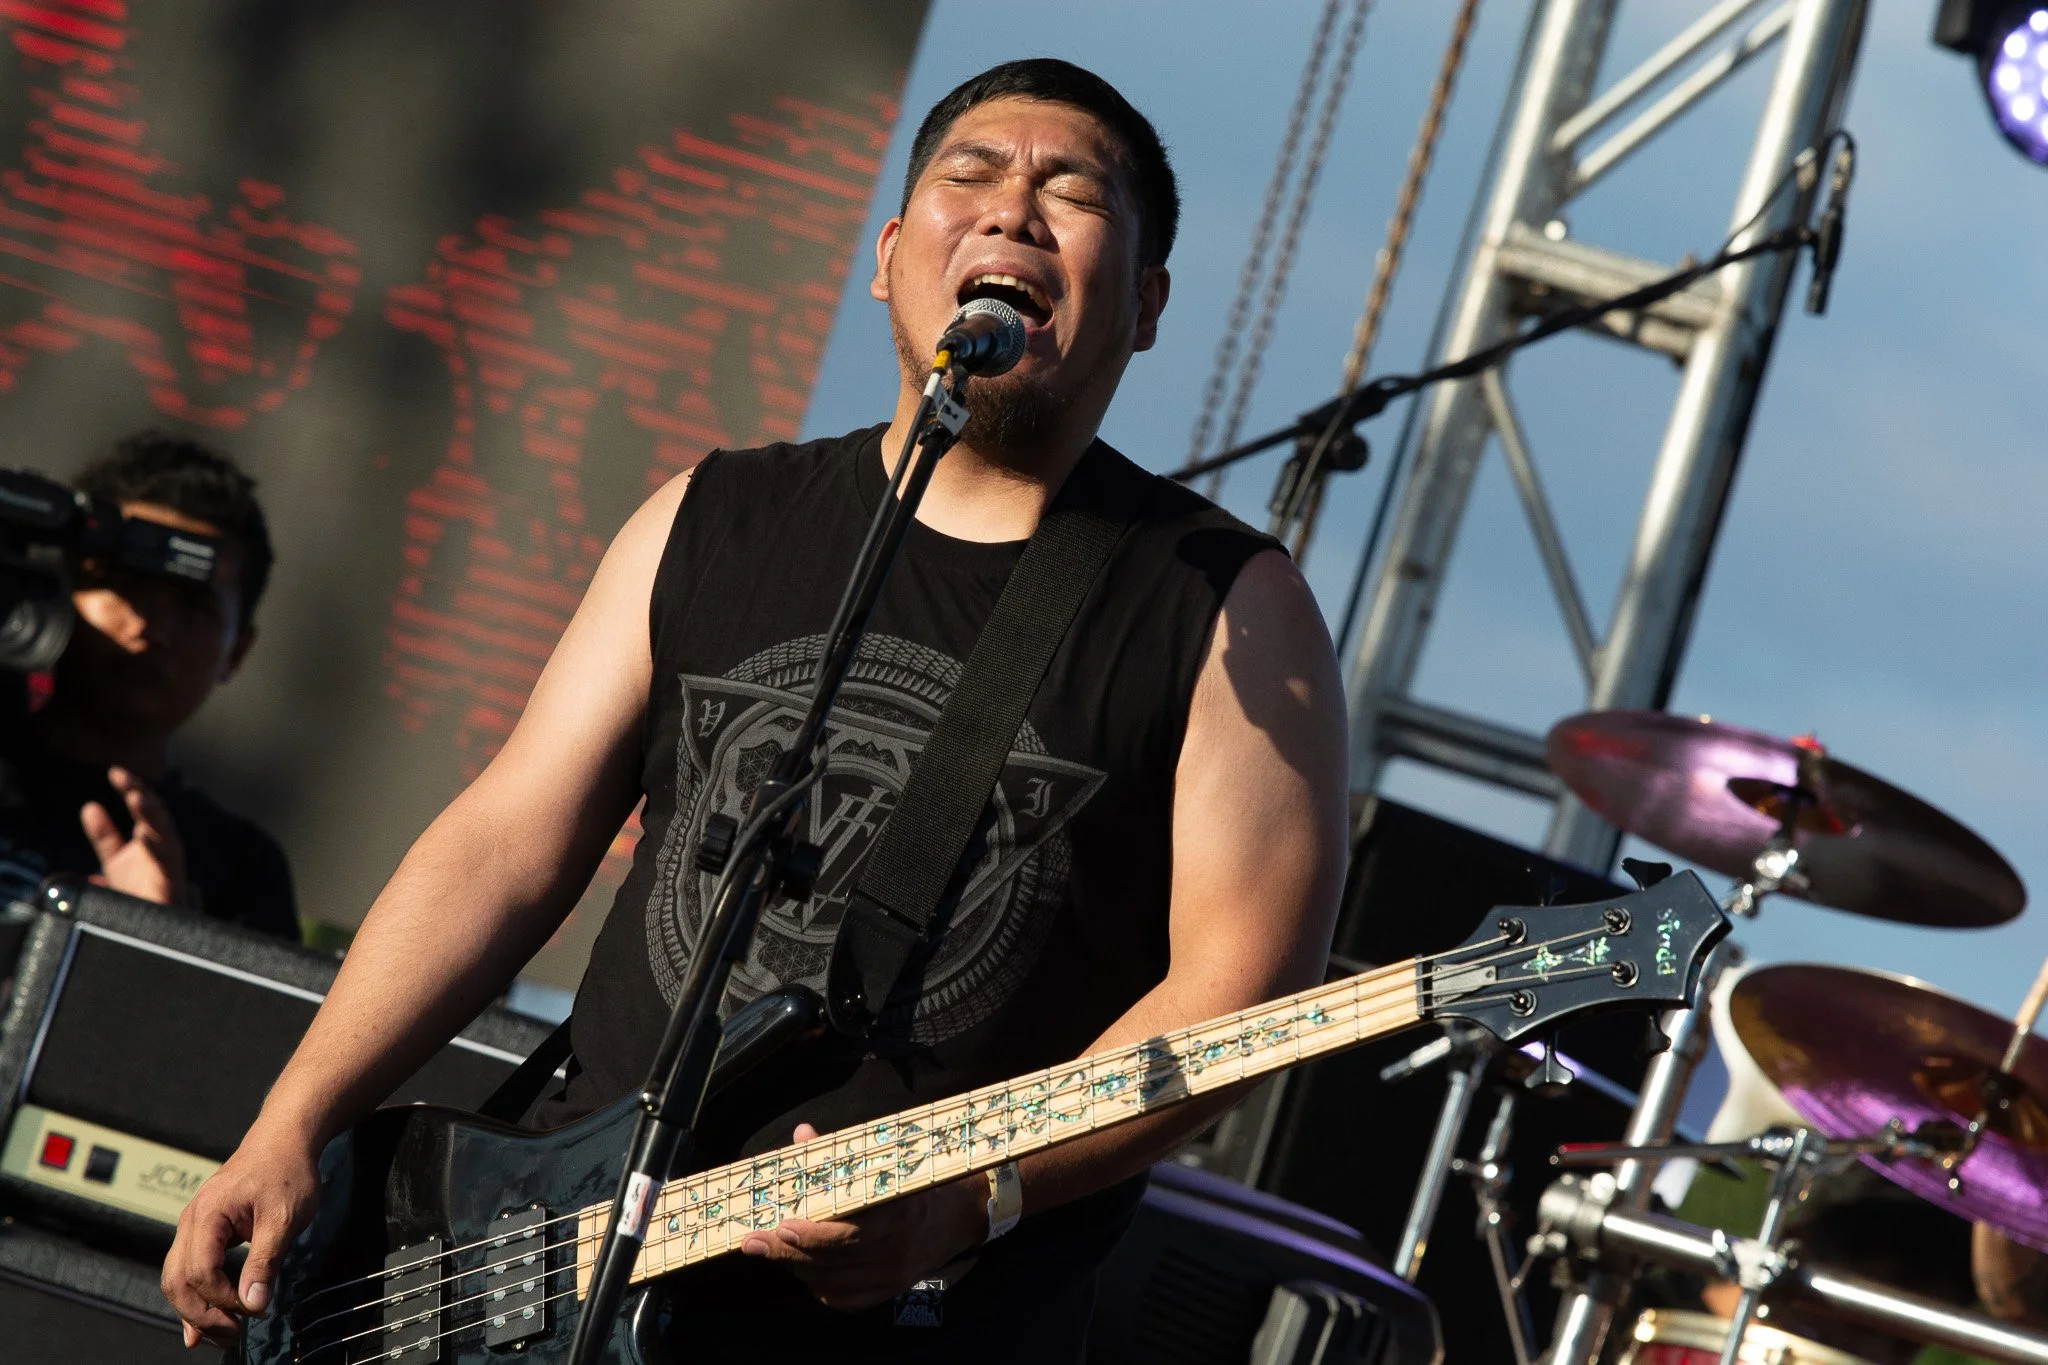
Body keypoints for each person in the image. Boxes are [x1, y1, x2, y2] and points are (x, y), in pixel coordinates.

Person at [163, 58, 1348, 1360]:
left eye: (1071, 194)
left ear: (1146, 304)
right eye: (970, 175)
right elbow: (506, 842)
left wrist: (978, 1196)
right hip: (549, 1272)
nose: (1012, 208)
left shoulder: (1225, 607)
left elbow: (1240, 996)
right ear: (889, 259)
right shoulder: (713, 513)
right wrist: (297, 1119)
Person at [0, 430, 296, 940]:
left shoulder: (241, 871)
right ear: (59, 587)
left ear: (238, 651)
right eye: (127, 586)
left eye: (192, 606)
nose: (149, 628)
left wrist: (161, 941)